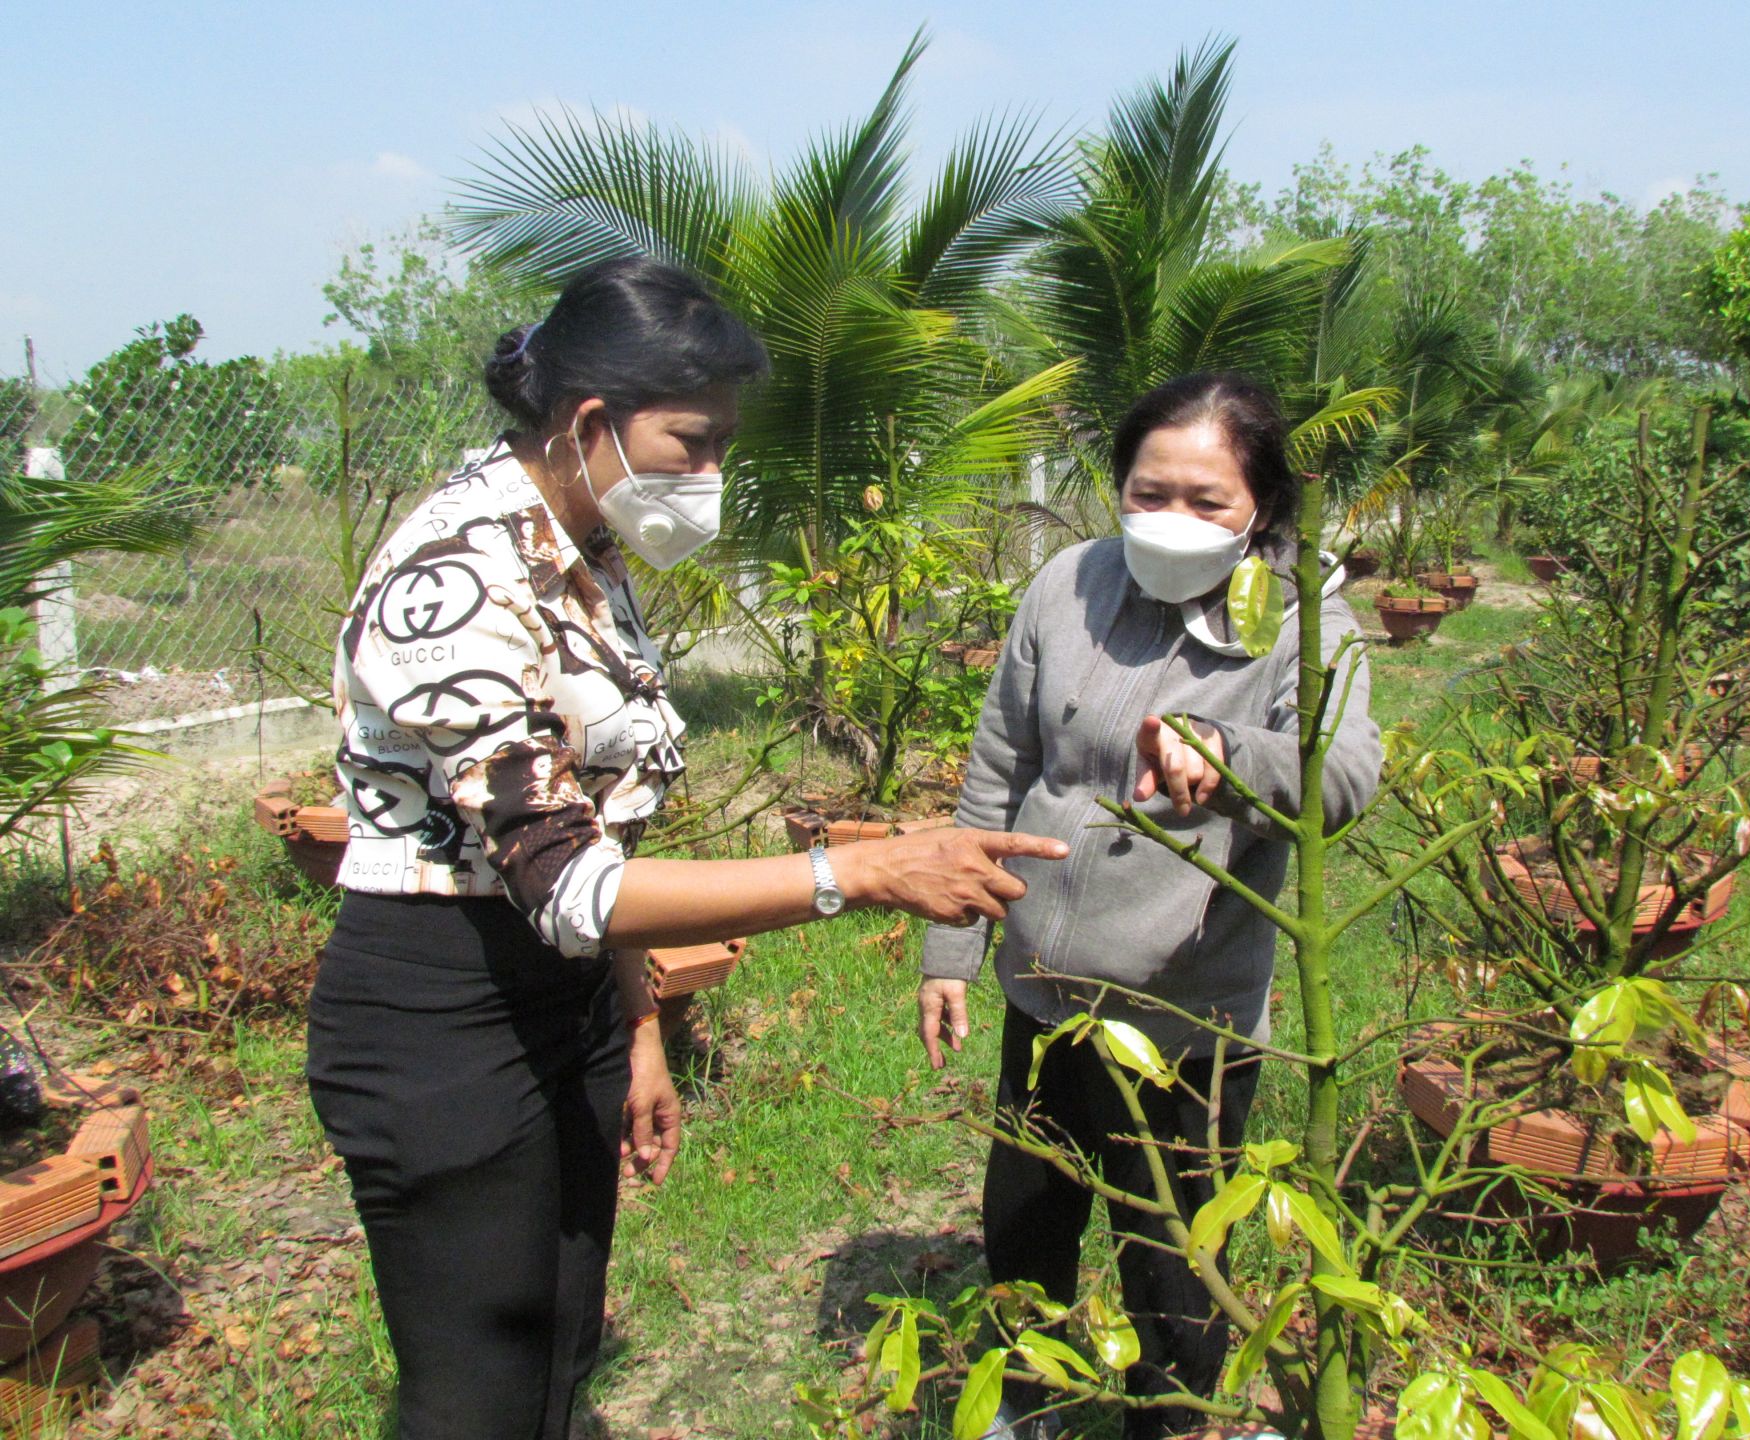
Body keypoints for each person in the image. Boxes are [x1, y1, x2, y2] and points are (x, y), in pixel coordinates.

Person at [306, 255, 1067, 1440]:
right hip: (439, 1015)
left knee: (558, 1344)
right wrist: (859, 870)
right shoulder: (457, 576)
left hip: (567, 1004)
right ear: (593, 422)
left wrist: (637, 1029)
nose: (712, 477)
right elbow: (562, 879)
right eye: (694, 443)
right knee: (473, 1394)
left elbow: (592, 826)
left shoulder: (587, 553)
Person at [914, 373, 1383, 1440]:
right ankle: (1020, 1403)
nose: (1170, 519)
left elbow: (1344, 777)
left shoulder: (1304, 613)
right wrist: (953, 948)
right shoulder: (1068, 584)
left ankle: (1169, 1420)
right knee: (1025, 1224)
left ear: (1260, 507)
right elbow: (998, 772)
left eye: (1205, 500)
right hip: (1041, 990)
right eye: (1147, 490)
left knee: (1171, 1253)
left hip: (1186, 1020)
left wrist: (1229, 756)